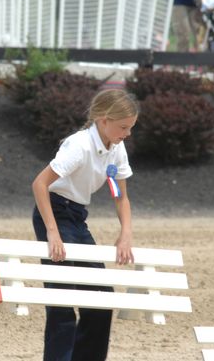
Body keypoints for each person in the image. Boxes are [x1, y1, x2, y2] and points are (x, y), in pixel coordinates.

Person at [31, 88, 138, 361]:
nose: (127, 133)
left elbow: (120, 196)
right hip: (54, 212)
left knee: (102, 300)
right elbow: (40, 184)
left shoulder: (116, 149)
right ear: (103, 120)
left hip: (77, 217)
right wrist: (52, 233)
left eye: (130, 127)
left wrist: (125, 234)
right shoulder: (78, 145)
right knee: (62, 301)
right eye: (123, 127)